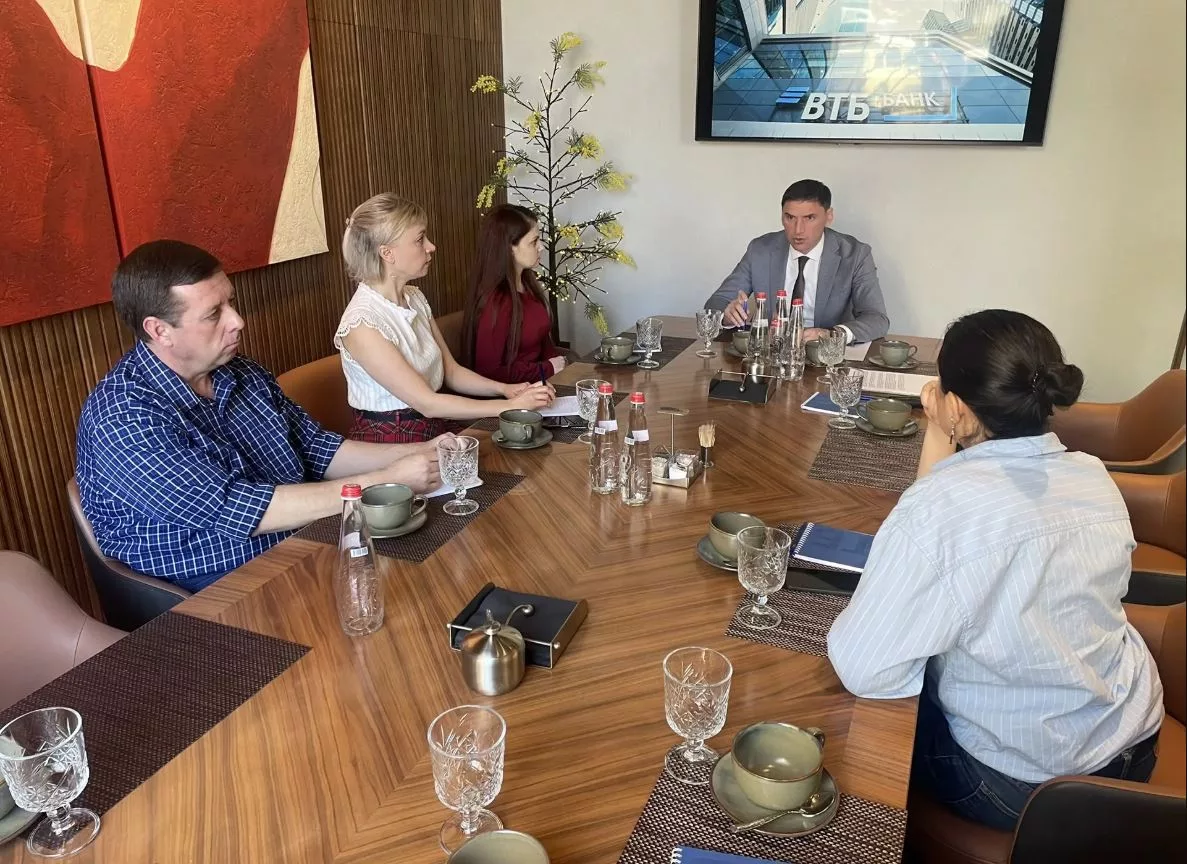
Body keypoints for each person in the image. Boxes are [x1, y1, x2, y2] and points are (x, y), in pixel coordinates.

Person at [826, 309, 1164, 831]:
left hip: (1021, 786)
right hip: (1133, 741)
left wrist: (941, 434)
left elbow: (865, 667)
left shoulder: (939, 509)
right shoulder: (1093, 475)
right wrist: (943, 429)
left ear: (959, 408)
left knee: (856, 720)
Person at [76, 240, 442, 593]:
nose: (237, 321)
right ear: (160, 331)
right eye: (214, 314)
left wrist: (423, 452)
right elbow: (241, 509)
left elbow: (317, 449)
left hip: (306, 540)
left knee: (439, 565)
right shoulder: (122, 415)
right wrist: (388, 481)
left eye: (230, 303)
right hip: (215, 585)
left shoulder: (241, 371)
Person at [335, 194, 554, 443]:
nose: (431, 246)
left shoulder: (414, 297)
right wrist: (511, 405)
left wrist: (504, 389)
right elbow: (427, 403)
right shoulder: (362, 323)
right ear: (387, 253)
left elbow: (451, 372)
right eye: (420, 239)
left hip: (432, 423)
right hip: (391, 439)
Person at [704, 179, 888, 343]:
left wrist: (832, 335)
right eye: (790, 218)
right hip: (772, 352)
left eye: (809, 218)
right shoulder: (761, 250)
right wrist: (727, 314)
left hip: (825, 356)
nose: (798, 229)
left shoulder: (855, 255)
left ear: (829, 216)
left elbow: (877, 318)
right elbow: (717, 301)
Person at [460, 204, 565, 384]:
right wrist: (547, 368)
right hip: (514, 394)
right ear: (509, 248)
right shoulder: (497, 301)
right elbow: (489, 372)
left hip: (541, 384)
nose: (541, 247)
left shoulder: (528, 284)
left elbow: (543, 342)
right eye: (533, 242)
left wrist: (560, 369)